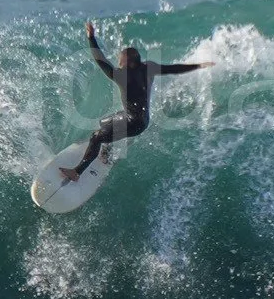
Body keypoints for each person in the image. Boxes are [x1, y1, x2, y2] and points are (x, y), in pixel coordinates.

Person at [59, 22, 211, 182]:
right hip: (141, 120)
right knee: (104, 123)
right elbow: (174, 69)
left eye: (120, 60)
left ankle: (77, 172)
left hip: (131, 123)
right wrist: (198, 65)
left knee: (96, 137)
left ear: (125, 63)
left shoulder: (121, 75)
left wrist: (91, 38)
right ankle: (106, 153)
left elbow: (100, 59)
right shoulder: (149, 68)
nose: (118, 62)